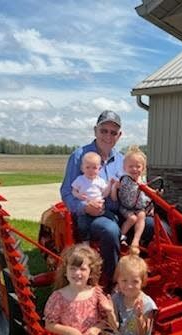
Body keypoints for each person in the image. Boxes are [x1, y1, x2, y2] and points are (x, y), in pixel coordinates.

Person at [60, 110, 153, 285]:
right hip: (92, 215)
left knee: (153, 225)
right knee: (110, 230)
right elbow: (66, 192)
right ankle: (113, 283)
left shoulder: (121, 159)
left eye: (113, 132)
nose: (108, 136)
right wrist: (84, 207)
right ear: (95, 130)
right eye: (104, 131)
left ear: (119, 135)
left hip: (120, 211)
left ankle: (141, 273)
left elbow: (131, 186)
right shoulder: (79, 156)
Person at [102, 254, 160, 335]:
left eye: (135, 281)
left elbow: (143, 333)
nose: (129, 286)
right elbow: (114, 326)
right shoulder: (116, 298)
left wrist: (139, 316)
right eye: (124, 281)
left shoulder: (147, 303)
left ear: (142, 282)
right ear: (117, 280)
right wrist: (109, 312)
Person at [112, 145, 152, 252]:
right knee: (132, 218)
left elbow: (147, 191)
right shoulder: (124, 179)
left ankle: (136, 240)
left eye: (138, 166)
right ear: (125, 168)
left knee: (142, 215)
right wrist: (114, 188)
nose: (134, 169)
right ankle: (122, 236)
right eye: (131, 166)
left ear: (143, 168)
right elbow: (115, 196)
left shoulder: (141, 180)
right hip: (126, 207)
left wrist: (155, 193)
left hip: (138, 207)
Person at [71, 151, 116, 241]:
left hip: (100, 209)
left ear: (99, 169)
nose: (91, 170)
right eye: (88, 167)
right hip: (87, 209)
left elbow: (104, 194)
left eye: (94, 168)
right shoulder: (80, 179)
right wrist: (78, 195)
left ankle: (120, 235)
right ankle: (85, 240)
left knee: (114, 218)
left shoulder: (100, 181)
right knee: (82, 223)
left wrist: (110, 185)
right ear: (82, 168)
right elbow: (73, 190)